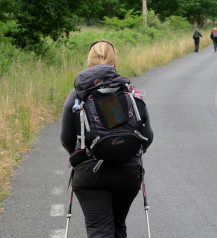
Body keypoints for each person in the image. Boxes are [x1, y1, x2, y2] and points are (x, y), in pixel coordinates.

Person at [60, 40, 154, 238]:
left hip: (89, 172)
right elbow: (147, 137)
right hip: (128, 172)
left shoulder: (77, 94)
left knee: (99, 230)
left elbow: (66, 138)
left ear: (89, 63)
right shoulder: (129, 91)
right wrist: (126, 152)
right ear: (115, 62)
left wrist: (78, 156)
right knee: (118, 225)